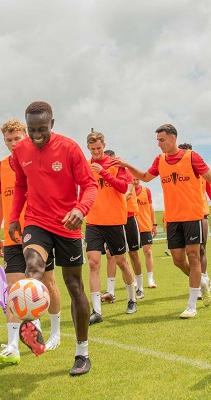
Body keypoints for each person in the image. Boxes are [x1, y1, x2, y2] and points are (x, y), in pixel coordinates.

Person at [8, 101, 97, 376]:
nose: (36, 136)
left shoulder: (70, 148)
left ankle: (82, 353)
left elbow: (90, 185)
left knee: (74, 285)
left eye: (42, 130)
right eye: (32, 130)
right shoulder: (20, 151)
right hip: (36, 221)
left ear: (53, 124)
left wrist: (80, 210)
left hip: (68, 225)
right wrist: (14, 217)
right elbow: (21, 185)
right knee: (32, 267)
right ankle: (31, 325)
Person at [117, 124, 211, 318]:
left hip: (193, 215)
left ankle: (192, 305)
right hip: (173, 219)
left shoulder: (192, 157)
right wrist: (126, 166)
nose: (158, 144)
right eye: (157, 140)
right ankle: (202, 281)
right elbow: (145, 177)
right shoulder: (160, 160)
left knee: (194, 256)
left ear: (173, 138)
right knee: (177, 260)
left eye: (161, 140)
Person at [0, 119, 63, 365]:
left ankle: (55, 332)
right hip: (12, 236)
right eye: (8, 140)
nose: (13, 144)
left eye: (17, 139)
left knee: (48, 283)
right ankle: (13, 345)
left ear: (27, 137)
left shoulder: (37, 160)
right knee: (14, 290)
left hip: (40, 231)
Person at [85, 133, 137, 324]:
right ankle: (96, 310)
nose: (96, 152)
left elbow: (124, 188)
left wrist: (103, 172)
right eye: (92, 150)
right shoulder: (85, 166)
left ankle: (131, 299)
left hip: (114, 220)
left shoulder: (117, 164)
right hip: (93, 221)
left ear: (104, 145)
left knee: (122, 262)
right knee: (93, 263)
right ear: (88, 149)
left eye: (99, 148)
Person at [100, 150, 149, 303]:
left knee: (133, 254)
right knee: (110, 255)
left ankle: (139, 286)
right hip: (111, 219)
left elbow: (127, 192)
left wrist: (116, 200)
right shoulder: (101, 173)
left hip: (127, 216)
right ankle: (110, 291)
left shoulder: (124, 171)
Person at [178, 143, 211, 292]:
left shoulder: (200, 171)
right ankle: (199, 280)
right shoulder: (178, 173)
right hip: (182, 216)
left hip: (201, 213)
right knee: (185, 254)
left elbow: (210, 188)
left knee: (201, 249)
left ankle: (203, 279)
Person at [134, 178, 158, 289]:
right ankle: (136, 278)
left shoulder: (146, 191)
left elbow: (150, 207)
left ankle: (150, 278)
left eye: (136, 179)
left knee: (148, 252)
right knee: (133, 254)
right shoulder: (126, 191)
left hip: (145, 226)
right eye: (132, 179)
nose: (135, 181)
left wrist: (154, 224)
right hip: (132, 227)